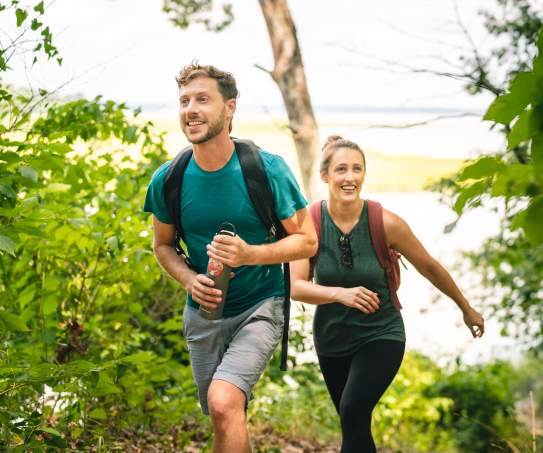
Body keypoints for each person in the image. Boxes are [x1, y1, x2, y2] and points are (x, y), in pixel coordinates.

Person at [143, 63, 317, 452]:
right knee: (222, 412)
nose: (191, 109)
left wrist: (251, 254)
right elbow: (162, 246)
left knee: (224, 403)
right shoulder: (168, 178)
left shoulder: (265, 169)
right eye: (184, 101)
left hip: (260, 305)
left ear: (230, 108)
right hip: (203, 313)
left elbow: (307, 241)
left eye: (203, 99)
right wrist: (189, 280)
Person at [290, 135, 485, 453]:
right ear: (325, 176)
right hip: (331, 338)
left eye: (357, 169)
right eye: (341, 170)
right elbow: (296, 287)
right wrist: (341, 294)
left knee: (353, 410)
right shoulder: (309, 223)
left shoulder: (387, 223)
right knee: (353, 422)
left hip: (381, 333)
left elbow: (429, 266)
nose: (350, 177)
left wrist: (465, 307)